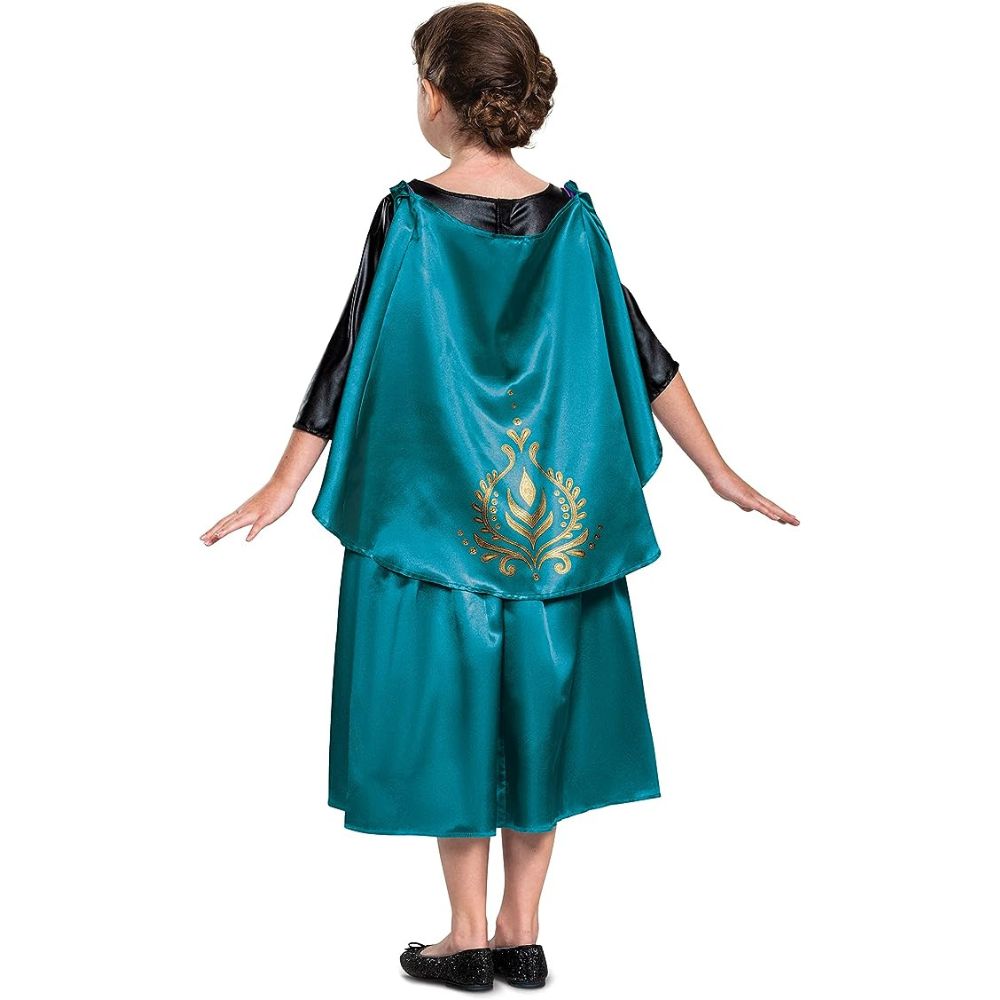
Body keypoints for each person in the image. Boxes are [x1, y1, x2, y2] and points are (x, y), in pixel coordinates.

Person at [201, 3, 799, 991]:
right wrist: (716, 468)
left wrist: (284, 480)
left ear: (435, 94)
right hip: (557, 533)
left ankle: (466, 936)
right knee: (540, 715)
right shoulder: (575, 222)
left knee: (458, 723)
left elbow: (350, 352)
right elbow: (642, 352)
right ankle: (523, 931)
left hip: (439, 527)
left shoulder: (407, 216)